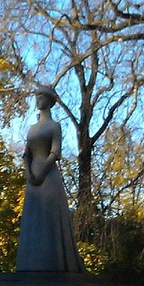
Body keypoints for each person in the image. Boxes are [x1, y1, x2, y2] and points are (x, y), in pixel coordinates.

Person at [15, 87, 85, 272]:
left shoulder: (54, 126)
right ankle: (30, 265)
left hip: (48, 176)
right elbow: (26, 154)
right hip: (33, 177)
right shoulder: (31, 128)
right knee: (33, 220)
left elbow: (55, 153)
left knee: (49, 219)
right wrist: (29, 174)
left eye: (41, 96)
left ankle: (53, 264)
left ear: (50, 100)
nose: (38, 99)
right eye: (36, 95)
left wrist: (42, 173)